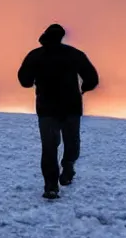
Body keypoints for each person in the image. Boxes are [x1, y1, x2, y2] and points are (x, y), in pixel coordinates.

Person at [18, 23, 99, 199]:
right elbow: (92, 78)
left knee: (49, 148)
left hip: (47, 109)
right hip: (71, 107)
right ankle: (68, 166)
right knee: (72, 142)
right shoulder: (74, 54)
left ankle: (51, 187)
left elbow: (24, 80)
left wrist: (35, 82)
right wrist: (83, 88)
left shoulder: (35, 55)